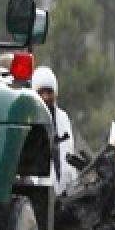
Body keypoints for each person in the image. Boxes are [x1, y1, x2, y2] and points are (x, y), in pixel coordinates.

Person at [31, 66, 77, 194]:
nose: (45, 97)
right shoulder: (29, 118)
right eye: (41, 92)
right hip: (35, 190)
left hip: (61, 191)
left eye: (49, 92)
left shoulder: (63, 118)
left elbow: (67, 153)